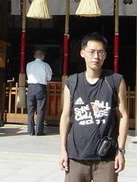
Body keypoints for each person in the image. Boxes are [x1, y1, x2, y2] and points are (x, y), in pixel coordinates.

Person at [59, 32, 129, 181]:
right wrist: (63, 150)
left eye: (100, 52)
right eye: (91, 52)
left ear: (105, 55)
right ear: (82, 53)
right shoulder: (72, 82)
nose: (95, 56)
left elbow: (123, 115)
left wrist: (121, 150)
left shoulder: (115, 81)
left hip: (106, 157)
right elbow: (65, 116)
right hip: (76, 156)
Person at [26, 48, 53, 135]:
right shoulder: (45, 65)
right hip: (41, 87)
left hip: (31, 87)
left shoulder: (29, 65)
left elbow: (28, 74)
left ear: (34, 56)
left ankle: (30, 130)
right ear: (43, 57)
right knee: (40, 109)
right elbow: (49, 78)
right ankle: (39, 131)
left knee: (30, 110)